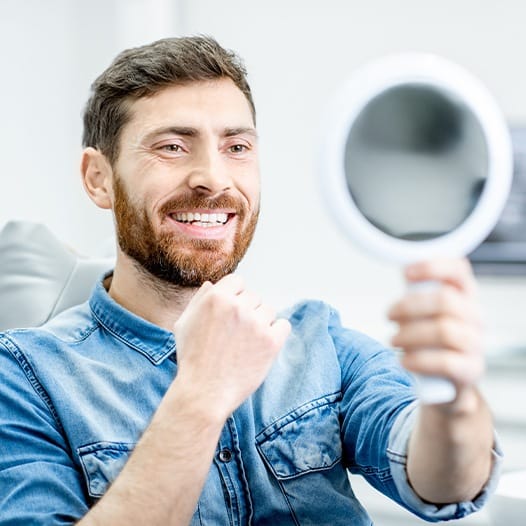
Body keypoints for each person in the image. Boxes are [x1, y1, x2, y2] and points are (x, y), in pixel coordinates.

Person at [0, 36, 501, 526]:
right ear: (98, 178)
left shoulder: (319, 342)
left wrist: (451, 400)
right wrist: (201, 394)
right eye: (173, 146)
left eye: (236, 146)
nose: (214, 178)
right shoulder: (23, 376)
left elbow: (445, 483)